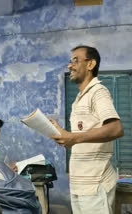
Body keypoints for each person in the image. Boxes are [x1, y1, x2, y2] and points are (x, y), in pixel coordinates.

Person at [51, 45, 124, 214]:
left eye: (75, 61)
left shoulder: (98, 92)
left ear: (91, 64)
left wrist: (74, 138)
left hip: (95, 186)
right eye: (70, 62)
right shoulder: (79, 99)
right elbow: (81, 138)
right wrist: (65, 137)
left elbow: (115, 128)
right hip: (80, 186)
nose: (70, 66)